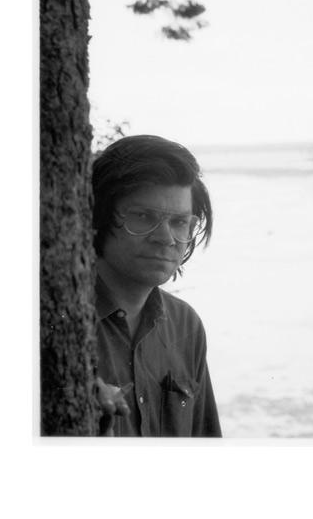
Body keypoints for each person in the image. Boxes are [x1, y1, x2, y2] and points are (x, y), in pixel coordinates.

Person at [91, 135, 221, 437]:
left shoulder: (185, 325)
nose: (165, 237)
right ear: (99, 214)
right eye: (143, 216)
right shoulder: (54, 318)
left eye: (179, 222)